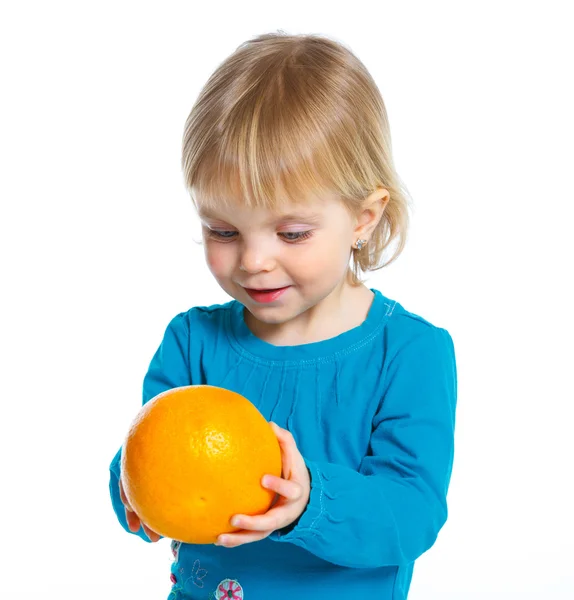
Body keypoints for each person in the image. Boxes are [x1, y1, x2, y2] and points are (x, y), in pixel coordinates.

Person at [108, 31, 458, 600]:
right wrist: (130, 487)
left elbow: (411, 513)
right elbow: (140, 460)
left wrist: (309, 498)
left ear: (365, 217)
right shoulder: (191, 341)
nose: (253, 261)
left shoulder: (411, 353)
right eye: (223, 231)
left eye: (292, 233)